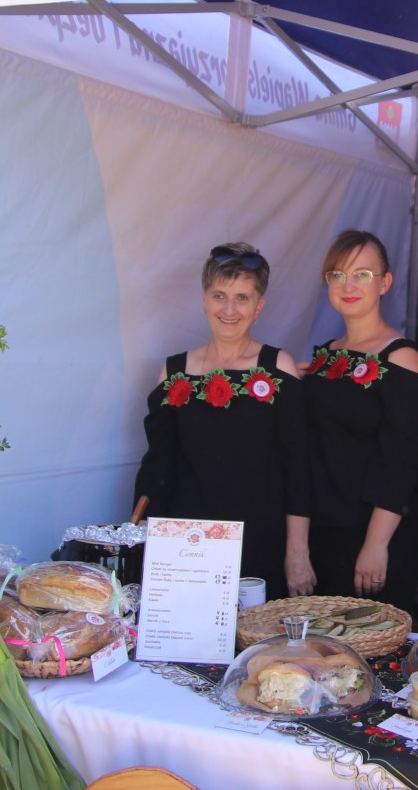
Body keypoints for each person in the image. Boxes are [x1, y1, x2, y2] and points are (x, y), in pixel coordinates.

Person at [134, 242, 311, 599]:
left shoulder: (277, 367)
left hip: (260, 542)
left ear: (259, 306)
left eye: (242, 298)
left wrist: (297, 552)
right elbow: (158, 467)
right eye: (219, 296)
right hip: (188, 546)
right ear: (204, 299)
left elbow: (298, 468)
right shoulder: (174, 371)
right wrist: (144, 541)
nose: (229, 309)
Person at [299, 230, 418, 615]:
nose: (348, 285)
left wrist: (375, 545)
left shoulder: (402, 358)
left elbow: (401, 461)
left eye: (362, 274)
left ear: (385, 283)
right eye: (337, 274)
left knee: (370, 643)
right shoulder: (325, 356)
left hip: (371, 536)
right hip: (322, 532)